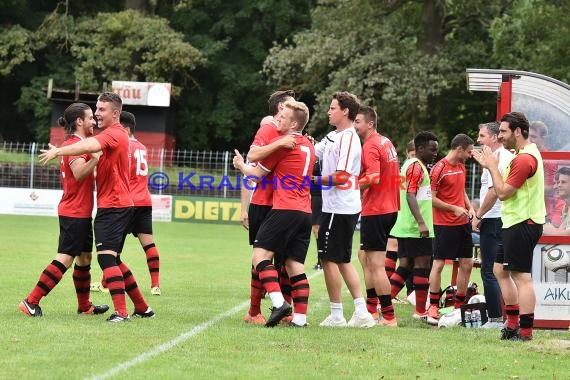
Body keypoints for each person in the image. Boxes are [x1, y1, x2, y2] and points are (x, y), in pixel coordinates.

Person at [39, 92, 154, 323]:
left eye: (101, 110)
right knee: (115, 259)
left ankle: (121, 312)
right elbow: (92, 150)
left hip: (113, 205)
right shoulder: (114, 134)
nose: (98, 114)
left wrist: (58, 151)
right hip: (115, 204)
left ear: (115, 113)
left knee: (106, 259)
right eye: (96, 110)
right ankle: (142, 307)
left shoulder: (113, 133)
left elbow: (90, 145)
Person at [19, 103, 109, 317]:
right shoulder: (73, 145)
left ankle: (84, 306)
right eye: (90, 118)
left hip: (82, 212)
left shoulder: (76, 144)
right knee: (66, 257)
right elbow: (78, 173)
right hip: (74, 212)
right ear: (79, 121)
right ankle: (30, 301)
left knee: (85, 258)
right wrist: (95, 160)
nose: (93, 121)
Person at [233, 100, 315, 327]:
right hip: (305, 212)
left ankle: (279, 303)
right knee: (294, 264)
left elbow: (255, 173)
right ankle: (300, 319)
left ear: (294, 124)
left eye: (283, 117)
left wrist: (240, 165)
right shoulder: (309, 144)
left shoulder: (285, 145)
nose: (277, 119)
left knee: (259, 257)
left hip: (285, 209)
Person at [473, 111, 545, 341]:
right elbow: (502, 184)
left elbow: (502, 193)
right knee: (499, 271)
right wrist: (489, 166)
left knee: (522, 277)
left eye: (503, 131)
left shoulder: (524, 159)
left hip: (524, 222)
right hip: (514, 221)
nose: (500, 136)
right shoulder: (521, 154)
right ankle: (512, 323)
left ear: (517, 131)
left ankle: (524, 331)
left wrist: (493, 166)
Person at [313, 92, 375, 328]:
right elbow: (312, 152)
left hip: (340, 207)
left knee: (331, 258)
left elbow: (341, 177)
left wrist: (312, 182)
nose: (328, 111)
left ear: (345, 111)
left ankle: (343, 314)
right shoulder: (332, 136)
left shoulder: (348, 138)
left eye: (332, 108)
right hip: (333, 207)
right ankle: (357, 312)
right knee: (337, 259)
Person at [240, 90, 296, 325]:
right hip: (264, 204)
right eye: (290, 103)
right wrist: (245, 208)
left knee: (285, 260)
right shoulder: (267, 129)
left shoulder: (294, 132)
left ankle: (286, 310)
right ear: (281, 107)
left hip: (286, 206)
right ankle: (254, 311)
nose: (294, 106)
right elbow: (250, 171)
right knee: (260, 259)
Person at [354, 106, 400, 327]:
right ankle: (371, 308)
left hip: (377, 209)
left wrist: (350, 184)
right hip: (389, 207)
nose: (355, 126)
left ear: (370, 124)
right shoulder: (386, 141)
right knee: (364, 256)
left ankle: (388, 316)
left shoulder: (370, 146)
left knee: (376, 264)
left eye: (358, 122)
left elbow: (372, 177)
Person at [389, 131, 439, 321]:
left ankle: (382, 304)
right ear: (420, 149)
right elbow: (410, 194)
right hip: (414, 227)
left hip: (408, 226)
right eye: (432, 149)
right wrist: (421, 223)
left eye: (436, 150)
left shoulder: (415, 166)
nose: (435, 153)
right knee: (422, 267)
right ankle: (420, 312)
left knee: (405, 267)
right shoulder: (416, 167)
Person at [426, 133, 475, 325]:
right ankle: (433, 306)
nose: (471, 155)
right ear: (459, 149)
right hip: (444, 225)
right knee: (438, 265)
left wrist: (469, 207)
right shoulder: (439, 169)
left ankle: (459, 307)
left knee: (467, 264)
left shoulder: (462, 166)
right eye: (469, 151)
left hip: (462, 224)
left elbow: (461, 190)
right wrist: (453, 208)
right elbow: (431, 198)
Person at [472, 122, 514, 328]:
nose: (478, 140)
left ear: (495, 137)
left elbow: (493, 192)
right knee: (499, 270)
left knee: (489, 270)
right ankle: (504, 317)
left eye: (482, 136)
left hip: (494, 219)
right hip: (499, 219)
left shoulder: (498, 157)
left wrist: (478, 215)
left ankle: (496, 318)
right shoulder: (501, 157)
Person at [121, 111, 162, 295]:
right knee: (149, 245)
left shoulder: (124, 147)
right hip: (144, 200)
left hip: (128, 202)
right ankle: (155, 285)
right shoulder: (142, 147)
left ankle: (106, 283)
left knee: (112, 248)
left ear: (126, 128)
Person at [529, 121, 562, 225]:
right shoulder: (530, 154)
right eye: (528, 136)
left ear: (543, 139)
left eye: (534, 137)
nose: (529, 140)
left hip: (544, 211)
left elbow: (551, 188)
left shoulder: (548, 160)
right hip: (532, 209)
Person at [543, 167, 570, 235]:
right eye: (558, 182)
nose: (558, 185)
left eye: (563, 182)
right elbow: (561, 231)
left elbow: (562, 235)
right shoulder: (566, 207)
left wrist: (545, 228)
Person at [311, 159, 323, 270]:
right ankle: (320, 260)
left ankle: (321, 260)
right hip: (313, 196)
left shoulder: (319, 159)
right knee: (316, 230)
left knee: (317, 229)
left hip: (318, 196)